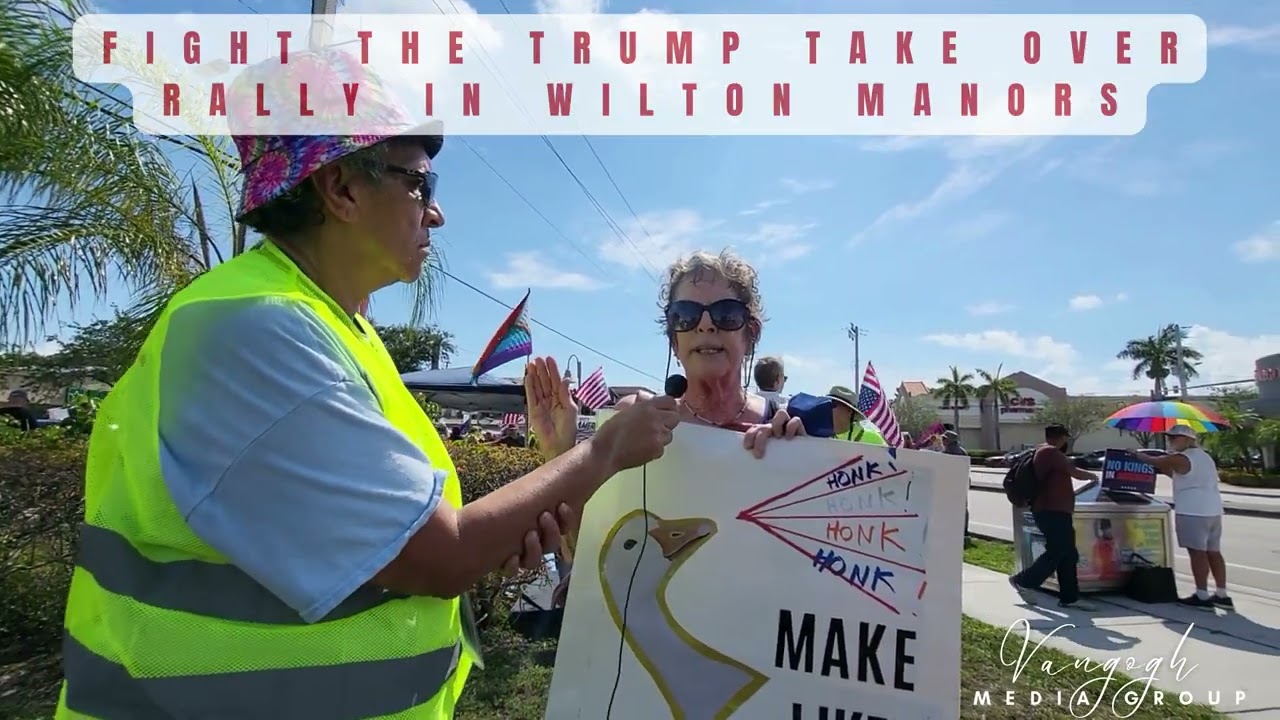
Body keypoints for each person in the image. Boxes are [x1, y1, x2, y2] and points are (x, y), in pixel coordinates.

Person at [56, 48, 685, 720]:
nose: (435, 214)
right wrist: (605, 451)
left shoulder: (336, 326)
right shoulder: (256, 326)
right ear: (342, 189)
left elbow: (412, 534)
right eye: (421, 185)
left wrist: (501, 532)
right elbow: (438, 555)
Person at [529, 249, 805, 461]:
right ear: (674, 341)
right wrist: (558, 453)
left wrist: (805, 454)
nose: (705, 325)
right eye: (685, 315)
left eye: (726, 314)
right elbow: (591, 518)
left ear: (751, 333)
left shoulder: (782, 422)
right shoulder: (633, 418)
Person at [1130, 424, 1230, 609]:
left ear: (1187, 439)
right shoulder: (1205, 457)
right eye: (1169, 437)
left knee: (1197, 553)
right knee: (1214, 552)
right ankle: (1222, 594)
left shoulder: (1181, 457)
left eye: (1174, 437)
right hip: (1213, 510)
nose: (1170, 441)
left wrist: (1137, 455)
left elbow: (1156, 461)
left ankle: (1201, 595)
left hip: (1193, 511)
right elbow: (1179, 475)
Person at [1009, 423, 1099, 610]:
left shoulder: (1041, 451)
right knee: (1058, 550)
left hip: (1054, 510)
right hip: (1052, 511)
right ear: (1061, 437)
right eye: (1065, 438)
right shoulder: (1051, 452)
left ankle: (1070, 597)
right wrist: (1095, 477)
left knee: (1068, 553)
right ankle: (1024, 581)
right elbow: (1075, 472)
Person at [941, 430, 971, 537]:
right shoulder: (960, 451)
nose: (942, 441)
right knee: (962, 507)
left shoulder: (951, 452)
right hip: (960, 482)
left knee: (955, 507)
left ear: (950, 440)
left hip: (955, 482)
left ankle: (958, 530)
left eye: (944, 439)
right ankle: (963, 530)